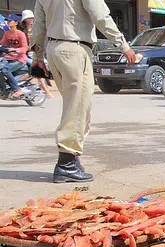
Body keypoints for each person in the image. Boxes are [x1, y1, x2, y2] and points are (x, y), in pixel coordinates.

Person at [31, 0, 135, 183]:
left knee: (73, 107)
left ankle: (71, 159)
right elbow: (101, 16)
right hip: (74, 49)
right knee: (77, 109)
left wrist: (37, 56)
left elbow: (38, 25)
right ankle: (66, 164)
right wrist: (123, 46)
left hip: (54, 50)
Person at [20, 9, 52, 98]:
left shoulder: (37, 29)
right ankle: (46, 90)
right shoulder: (23, 32)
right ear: (25, 20)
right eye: (28, 18)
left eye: (31, 18)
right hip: (28, 53)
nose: (31, 19)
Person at [0, 14, 28, 98]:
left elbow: (25, 47)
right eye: (7, 20)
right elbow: (2, 43)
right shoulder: (7, 33)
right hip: (9, 58)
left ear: (16, 23)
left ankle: (17, 89)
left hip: (19, 59)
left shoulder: (20, 34)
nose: (8, 22)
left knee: (5, 70)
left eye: (10, 20)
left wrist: (16, 50)